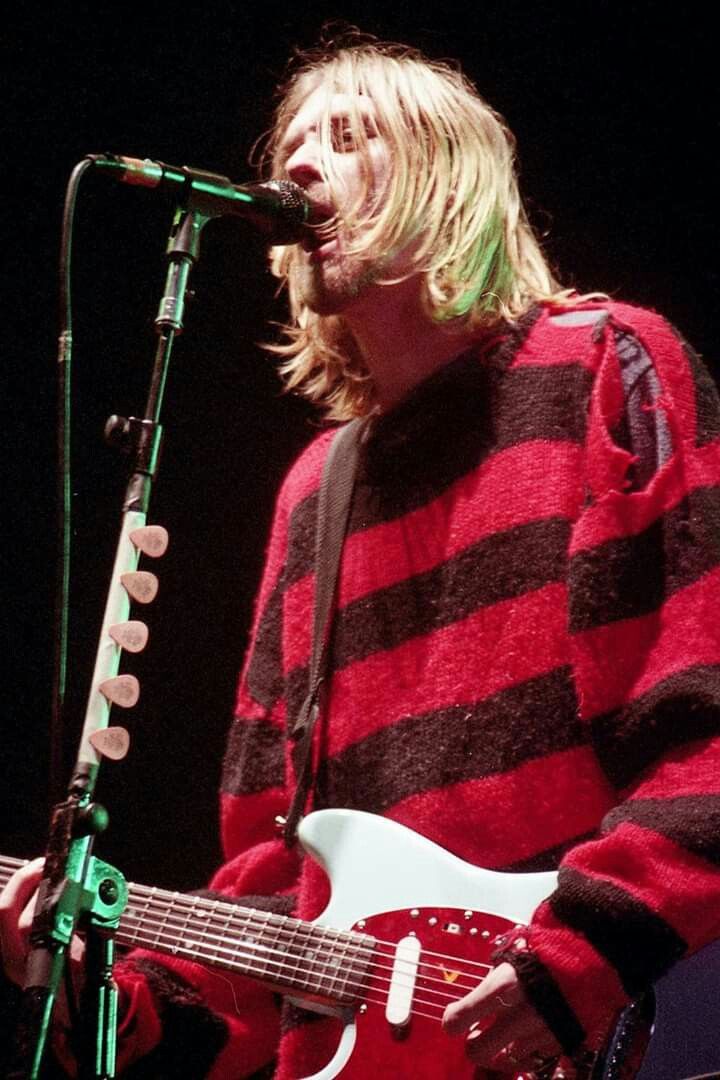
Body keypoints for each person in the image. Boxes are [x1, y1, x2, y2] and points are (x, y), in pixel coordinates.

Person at [3, 35, 720, 1080]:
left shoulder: (607, 368)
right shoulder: (315, 495)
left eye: (346, 137)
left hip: (612, 1033)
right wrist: (111, 993)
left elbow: (704, 721)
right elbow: (279, 882)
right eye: (291, 145)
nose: (297, 165)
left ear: (447, 178)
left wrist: (579, 960)